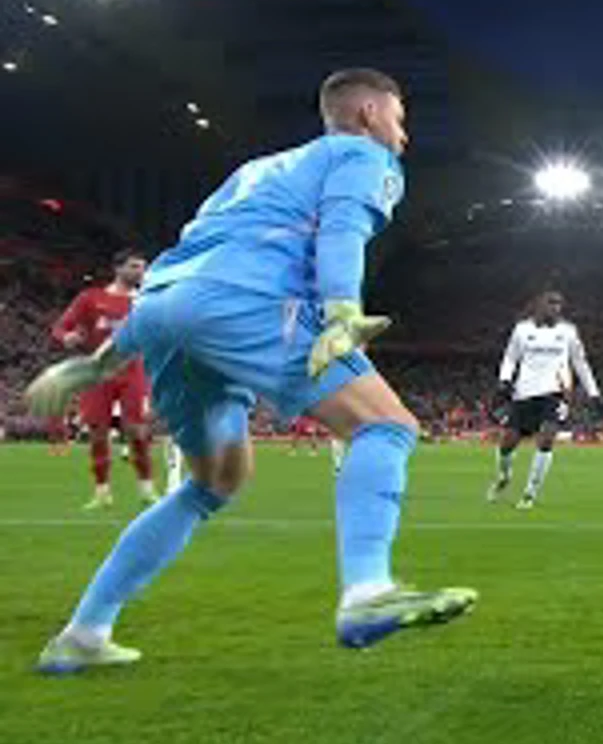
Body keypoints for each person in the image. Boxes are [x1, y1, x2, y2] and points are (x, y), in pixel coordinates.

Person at [22, 67, 474, 673]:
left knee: (213, 482)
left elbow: (190, 259)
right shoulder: (362, 155)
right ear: (367, 113)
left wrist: (98, 364)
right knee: (385, 427)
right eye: (400, 119)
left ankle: (84, 631)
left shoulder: (256, 171)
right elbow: (343, 228)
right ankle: (368, 592)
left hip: (161, 309)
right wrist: (343, 312)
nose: (404, 136)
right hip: (249, 302)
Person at [51, 249, 158, 508]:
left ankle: (147, 488)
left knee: (137, 432)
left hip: (133, 370)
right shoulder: (91, 298)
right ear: (118, 268)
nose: (140, 272)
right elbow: (60, 327)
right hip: (97, 373)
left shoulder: (147, 300)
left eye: (143, 267)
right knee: (98, 433)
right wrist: (67, 338)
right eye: (134, 266)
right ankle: (102, 492)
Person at [488, 289, 602, 509]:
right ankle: (504, 476)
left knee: (546, 438)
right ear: (539, 305)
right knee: (508, 443)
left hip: (556, 393)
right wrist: (504, 380)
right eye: (551, 303)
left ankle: (530, 493)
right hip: (524, 393)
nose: (555, 308)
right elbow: (511, 357)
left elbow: (580, 362)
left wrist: (593, 392)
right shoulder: (522, 330)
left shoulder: (568, 332)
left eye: (559, 304)